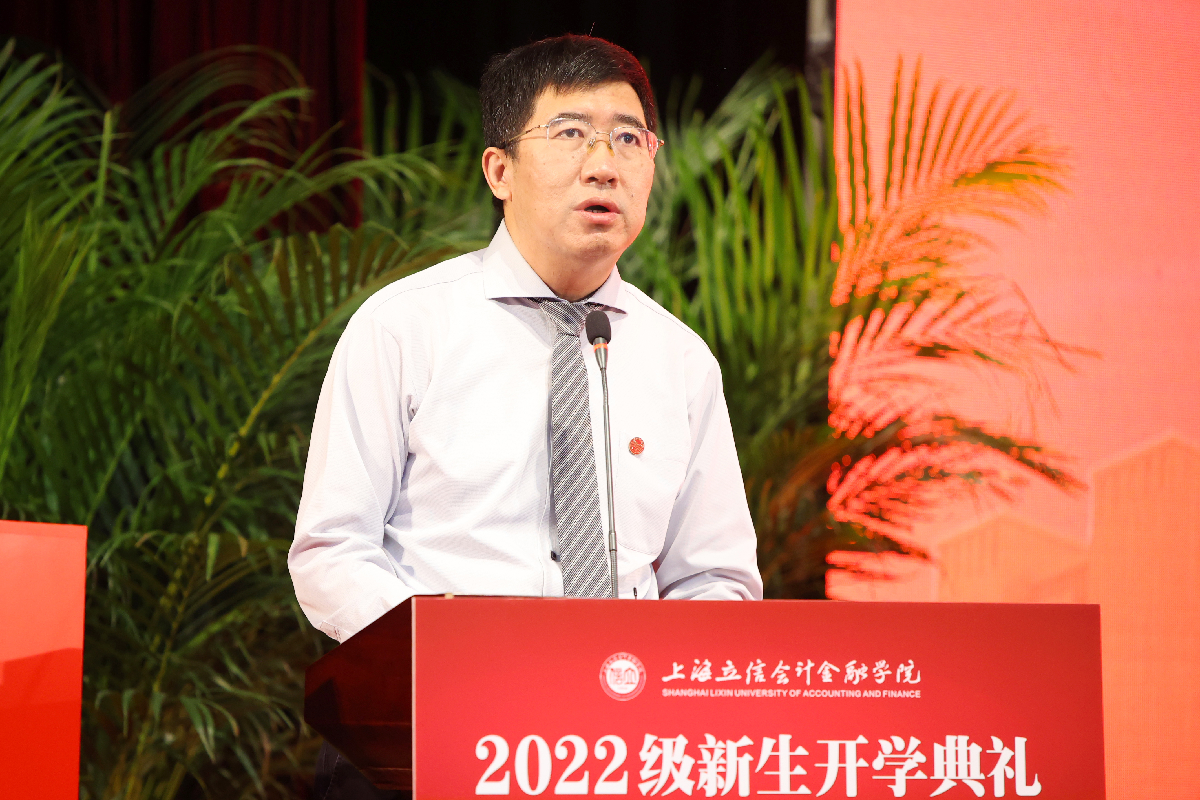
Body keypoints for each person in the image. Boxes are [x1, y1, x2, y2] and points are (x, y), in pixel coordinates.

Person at [292, 34, 762, 800]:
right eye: (571, 133)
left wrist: (659, 684)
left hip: (618, 748)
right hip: (423, 734)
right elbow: (331, 549)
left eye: (629, 139)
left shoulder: (679, 360)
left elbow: (714, 577)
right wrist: (443, 659)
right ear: (499, 170)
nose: (604, 164)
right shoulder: (405, 327)